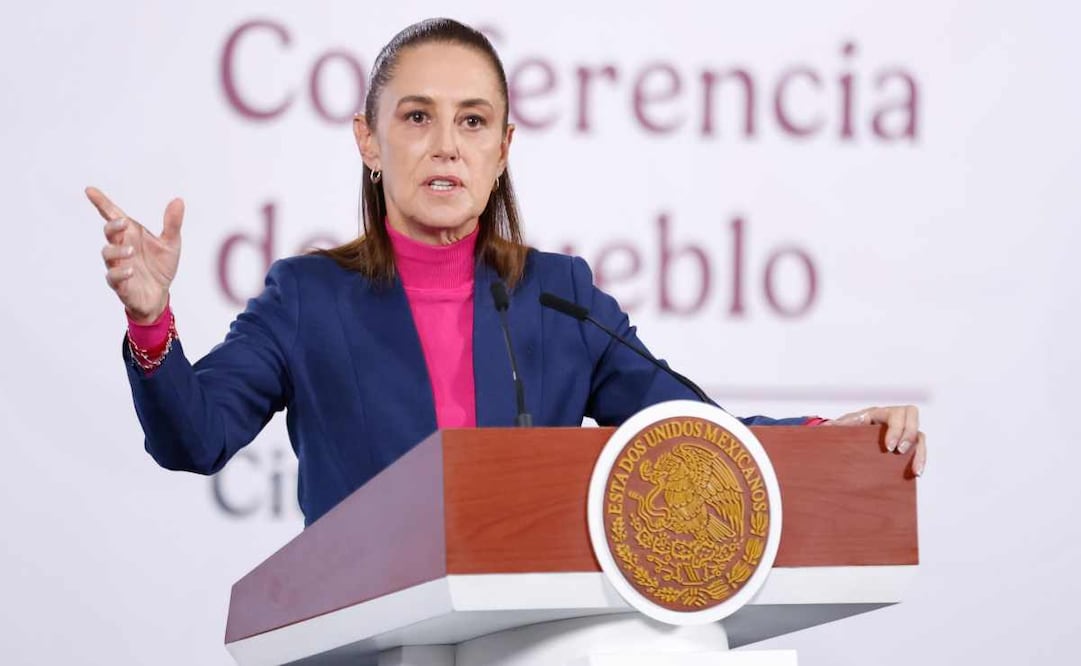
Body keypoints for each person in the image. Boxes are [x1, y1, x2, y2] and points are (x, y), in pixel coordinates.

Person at [86, 18, 927, 527]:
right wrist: (152, 322)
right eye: (416, 117)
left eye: (473, 121)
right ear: (369, 143)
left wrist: (827, 441)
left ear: (501, 149)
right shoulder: (307, 298)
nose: (445, 143)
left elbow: (689, 434)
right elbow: (193, 439)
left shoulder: (561, 296)